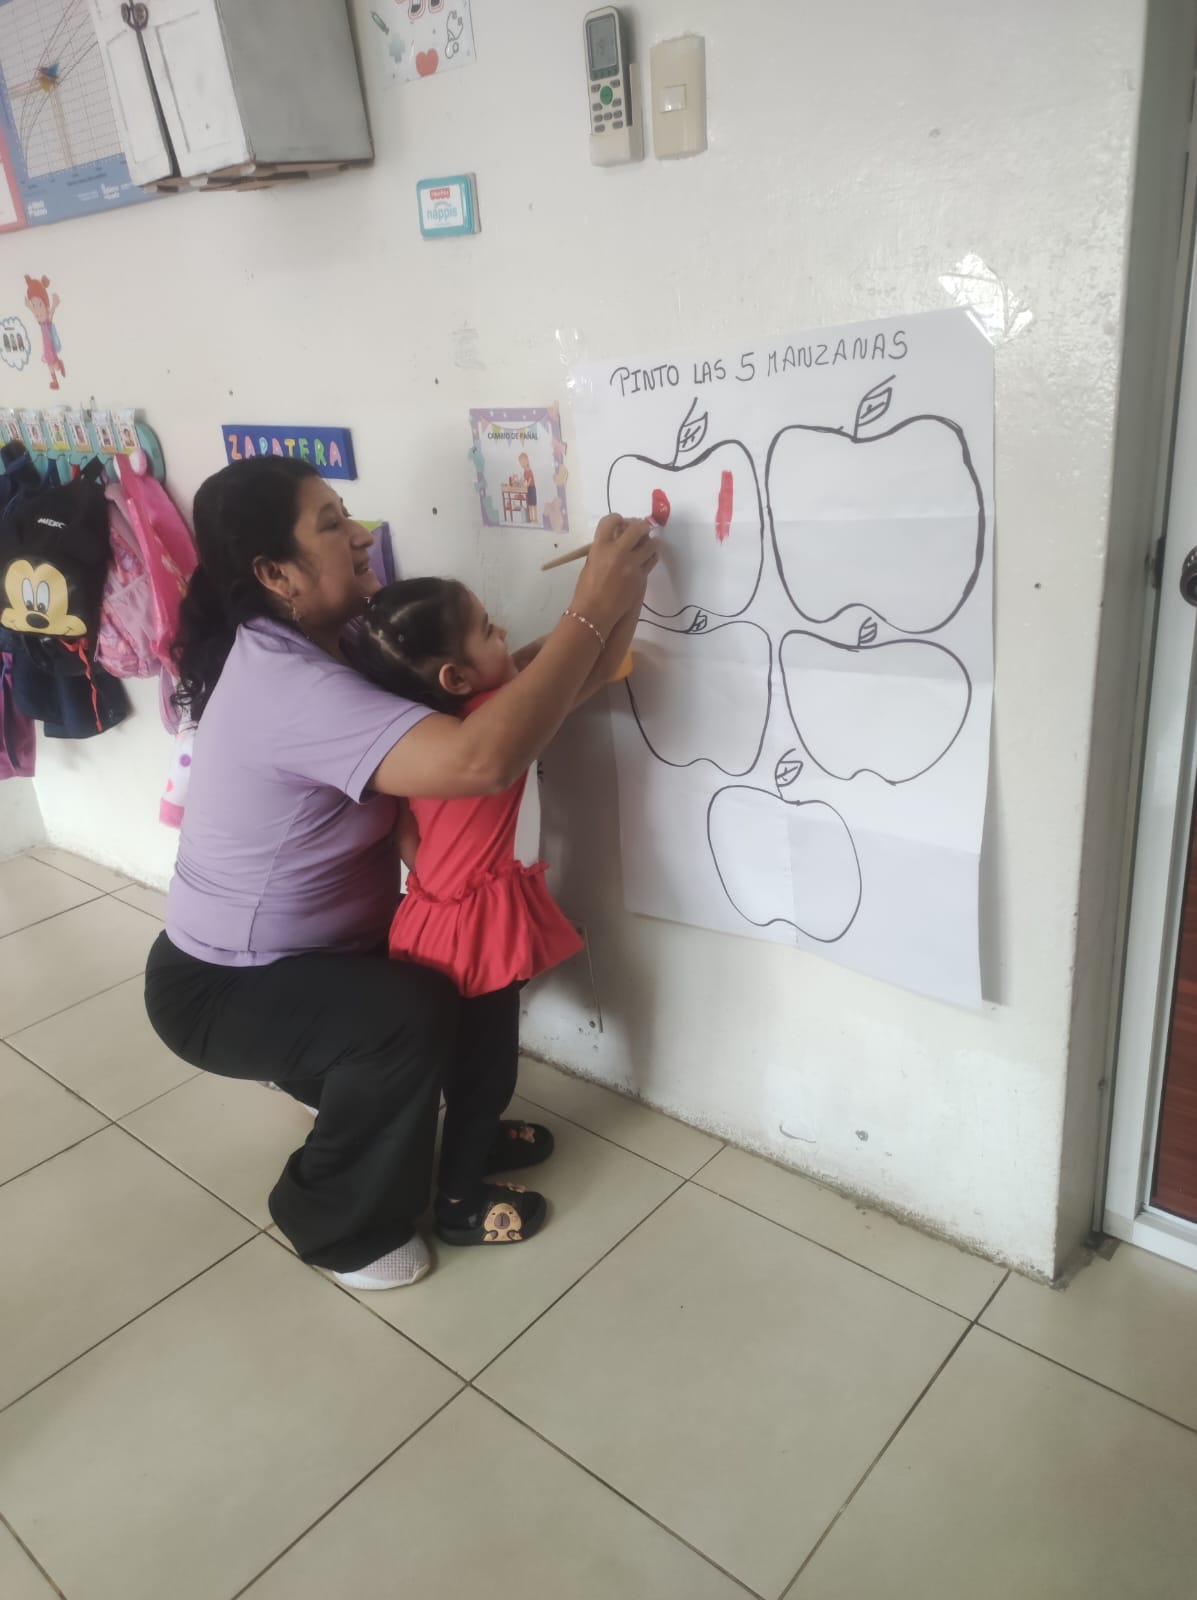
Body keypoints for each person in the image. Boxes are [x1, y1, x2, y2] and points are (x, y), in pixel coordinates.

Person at [144, 456, 656, 1290]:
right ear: (276, 574)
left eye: (346, 514)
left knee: (452, 995)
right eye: (330, 524)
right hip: (226, 988)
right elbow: (482, 758)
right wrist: (590, 610)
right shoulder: (290, 683)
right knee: (405, 1015)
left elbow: (499, 699)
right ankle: (338, 1227)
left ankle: (451, 1132)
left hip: (317, 956)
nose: (360, 536)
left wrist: (604, 612)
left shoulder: (341, 642)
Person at [357, 576, 639, 1247]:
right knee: (486, 1074)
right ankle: (459, 1203)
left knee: (465, 1060)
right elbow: (602, 662)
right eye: (487, 629)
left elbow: (405, 831)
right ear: (455, 677)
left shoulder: (417, 732)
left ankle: (477, 1143)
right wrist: (626, 584)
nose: (504, 634)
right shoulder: (498, 726)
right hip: (473, 933)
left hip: (428, 918)